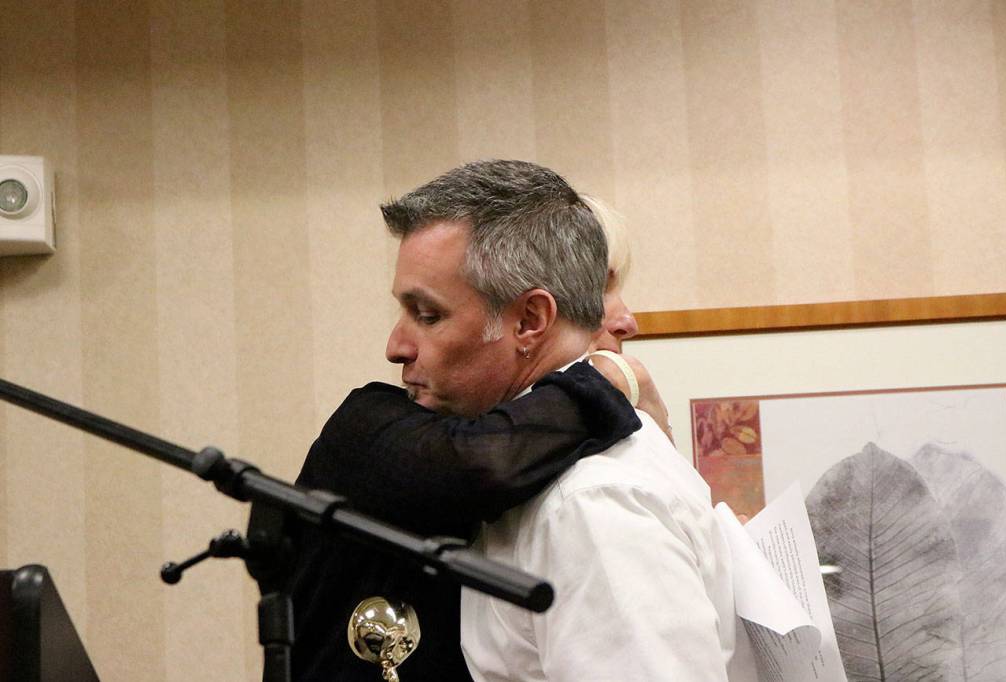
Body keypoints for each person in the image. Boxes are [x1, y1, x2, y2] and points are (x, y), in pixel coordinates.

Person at [378, 160, 749, 681]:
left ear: (529, 321)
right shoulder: (538, 474)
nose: (396, 346)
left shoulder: (592, 500)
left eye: (428, 315)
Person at [289, 188, 659, 680]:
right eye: (600, 291)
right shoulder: (367, 428)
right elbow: (478, 464)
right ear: (537, 320)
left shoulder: (594, 475)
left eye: (427, 314)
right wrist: (614, 381)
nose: (624, 318)